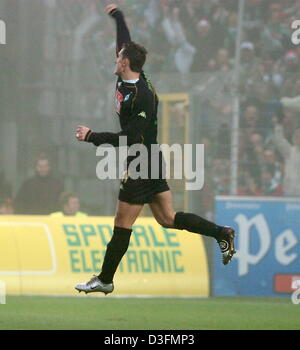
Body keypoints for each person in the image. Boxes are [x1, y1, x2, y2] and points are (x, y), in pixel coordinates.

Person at [74, 4, 236, 295]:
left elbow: (129, 138)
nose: (116, 56)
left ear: (125, 62)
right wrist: (119, 17)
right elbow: (124, 41)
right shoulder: (128, 76)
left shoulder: (142, 97)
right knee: (168, 218)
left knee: (122, 222)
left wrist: (91, 136)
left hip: (141, 163)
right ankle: (221, 233)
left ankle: (105, 279)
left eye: (119, 56)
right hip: (150, 160)